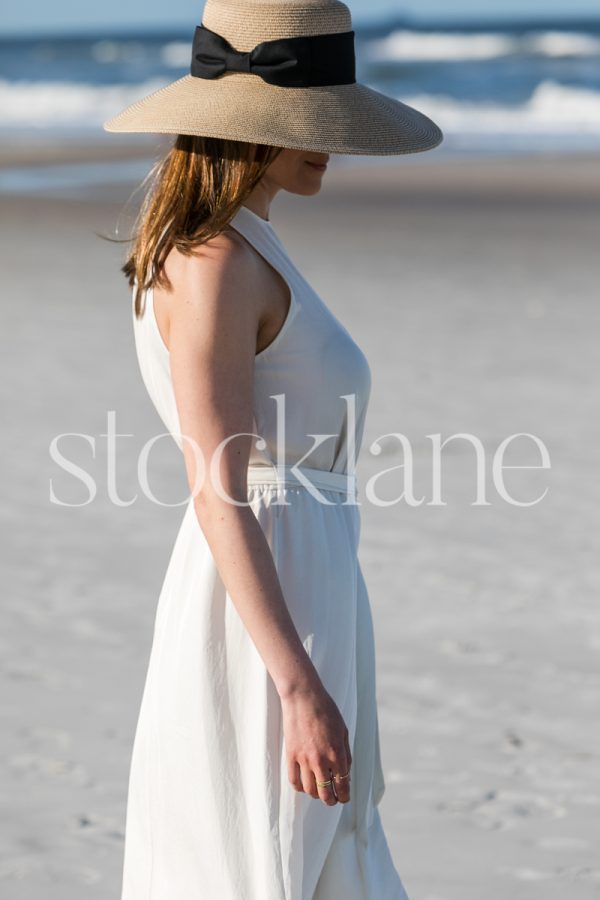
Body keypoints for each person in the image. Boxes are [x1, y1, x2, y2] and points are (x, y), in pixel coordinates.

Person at [103, 1, 442, 897]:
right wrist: (294, 685)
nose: (328, 138)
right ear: (246, 125)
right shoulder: (215, 263)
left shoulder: (247, 245)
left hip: (306, 580)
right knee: (262, 861)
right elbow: (218, 484)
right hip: (262, 599)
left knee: (320, 855)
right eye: (309, 116)